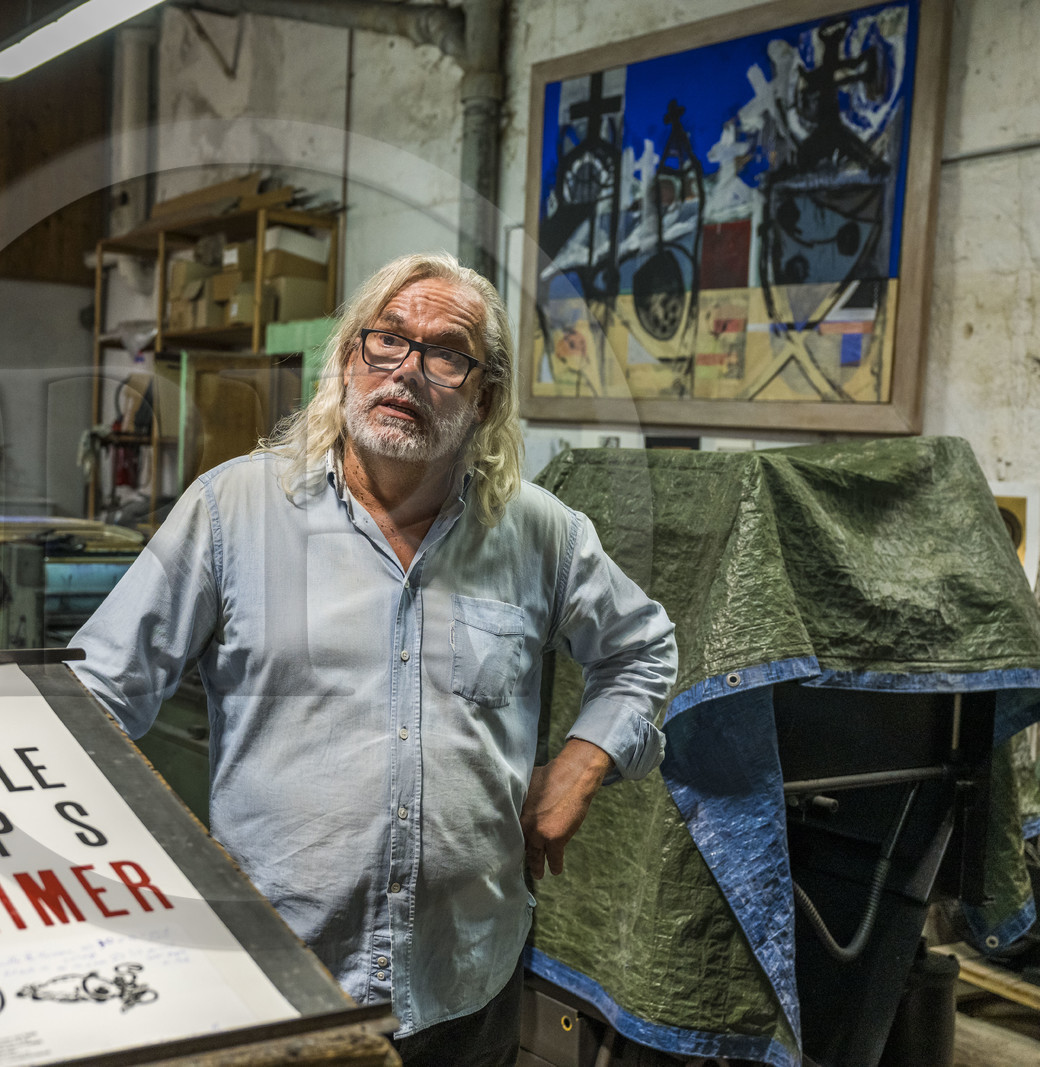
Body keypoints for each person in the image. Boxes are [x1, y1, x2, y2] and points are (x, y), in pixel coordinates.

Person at [70, 251, 676, 1065]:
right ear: (349, 358)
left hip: (464, 986)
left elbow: (644, 649)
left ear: (485, 393)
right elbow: (89, 699)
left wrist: (582, 760)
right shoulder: (234, 510)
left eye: (446, 354)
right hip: (273, 981)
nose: (408, 371)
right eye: (386, 340)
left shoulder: (542, 534)